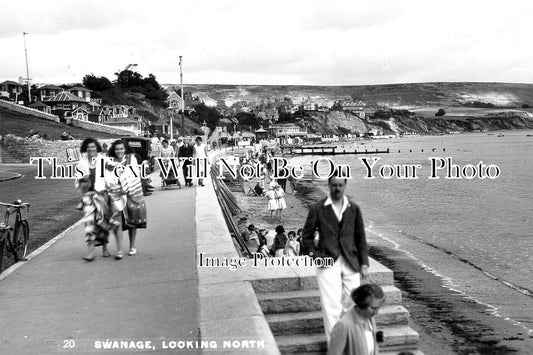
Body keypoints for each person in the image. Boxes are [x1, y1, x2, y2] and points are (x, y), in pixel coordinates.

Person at [301, 174, 370, 343]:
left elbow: (360, 237)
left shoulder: (353, 208)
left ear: (345, 185)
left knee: (352, 301)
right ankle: (335, 346)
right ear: (329, 185)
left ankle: (349, 340)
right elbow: (306, 238)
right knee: (330, 305)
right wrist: (315, 256)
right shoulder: (317, 208)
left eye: (340, 185)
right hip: (326, 261)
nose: (337, 188)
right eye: (334, 185)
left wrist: (364, 264)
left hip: (350, 261)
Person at [75, 138, 124, 261]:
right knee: (89, 224)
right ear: (85, 149)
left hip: (103, 195)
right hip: (88, 197)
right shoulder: (81, 163)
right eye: (88, 147)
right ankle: (90, 252)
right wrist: (82, 182)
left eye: (93, 147)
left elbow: (116, 171)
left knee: (108, 223)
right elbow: (77, 182)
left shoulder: (104, 160)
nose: (91, 149)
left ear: (97, 148)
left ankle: (115, 249)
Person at [108, 139, 147, 256]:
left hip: (131, 192)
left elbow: (134, 174)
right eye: (117, 149)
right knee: (117, 221)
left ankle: (132, 246)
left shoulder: (131, 159)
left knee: (132, 219)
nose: (119, 151)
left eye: (121, 149)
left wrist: (126, 187)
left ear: (125, 149)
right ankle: (119, 249)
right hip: (116, 193)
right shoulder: (110, 161)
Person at [327, 284, 385, 355]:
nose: (376, 312)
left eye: (378, 308)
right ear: (362, 304)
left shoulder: (371, 320)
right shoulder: (343, 325)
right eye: (373, 308)